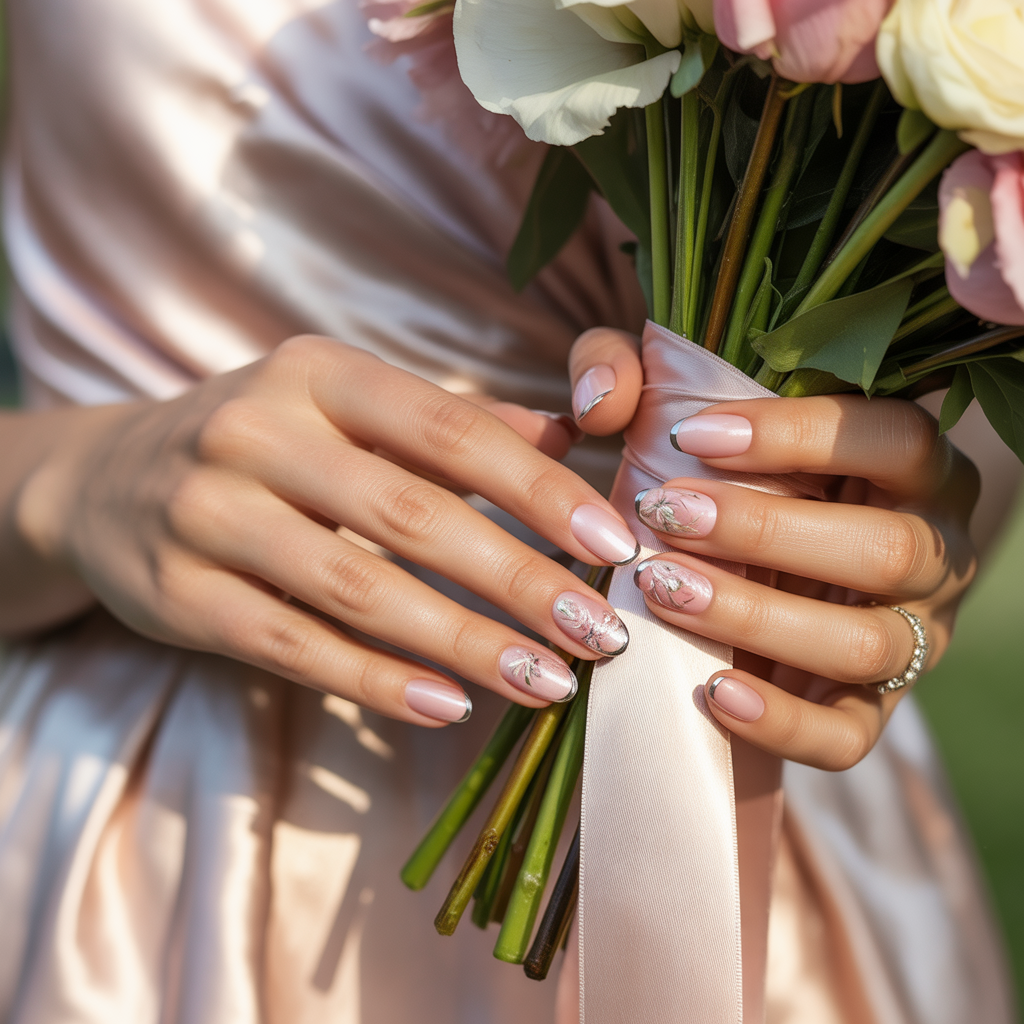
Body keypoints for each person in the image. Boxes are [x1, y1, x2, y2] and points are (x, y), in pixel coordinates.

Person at [0, 1, 1015, 1021]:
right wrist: (73, 484)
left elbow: (960, 424)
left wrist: (895, 538)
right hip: (151, 803)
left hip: (722, 748)